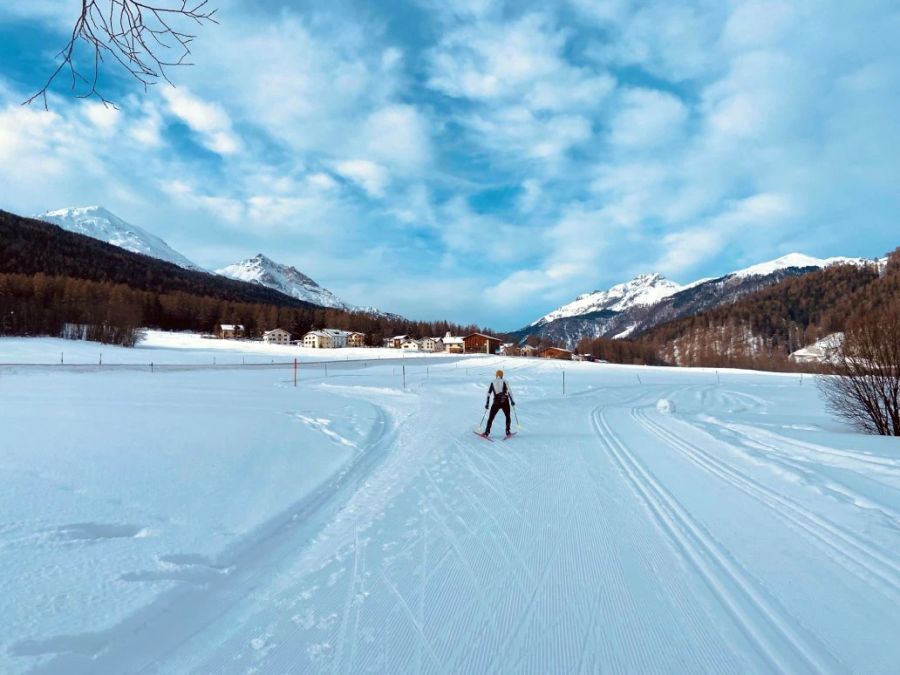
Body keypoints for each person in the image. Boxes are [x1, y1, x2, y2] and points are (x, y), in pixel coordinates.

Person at [482, 369, 515, 438]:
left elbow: (488, 393)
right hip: (505, 401)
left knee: (491, 417)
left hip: (496, 402)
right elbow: (509, 392)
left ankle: (487, 432)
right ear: (502, 375)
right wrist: (512, 401)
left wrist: (487, 403)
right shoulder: (505, 381)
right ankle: (508, 431)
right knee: (507, 416)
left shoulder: (492, 382)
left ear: (496, 375)